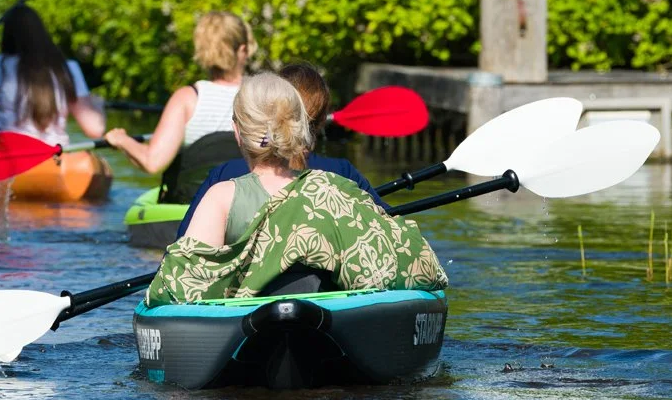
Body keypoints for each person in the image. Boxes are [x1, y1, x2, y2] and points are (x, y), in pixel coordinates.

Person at [147, 72, 448, 306]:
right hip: (325, 323)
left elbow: (179, 284)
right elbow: (404, 264)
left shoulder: (222, 195)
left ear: (238, 133)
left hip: (245, 327)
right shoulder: (336, 187)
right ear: (301, 128)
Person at [175, 61, 385, 237]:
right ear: (321, 121)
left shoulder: (224, 177)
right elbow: (387, 238)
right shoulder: (344, 175)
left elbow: (181, 247)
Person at [103, 10, 251, 202]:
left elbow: (152, 162)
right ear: (243, 50)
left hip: (195, 203)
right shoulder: (264, 95)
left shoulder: (187, 99)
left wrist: (121, 140)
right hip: (248, 202)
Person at [0, 5, 107, 147]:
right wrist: (97, 106)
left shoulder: (0, 65)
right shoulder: (68, 68)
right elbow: (95, 129)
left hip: (8, 155)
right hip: (52, 153)